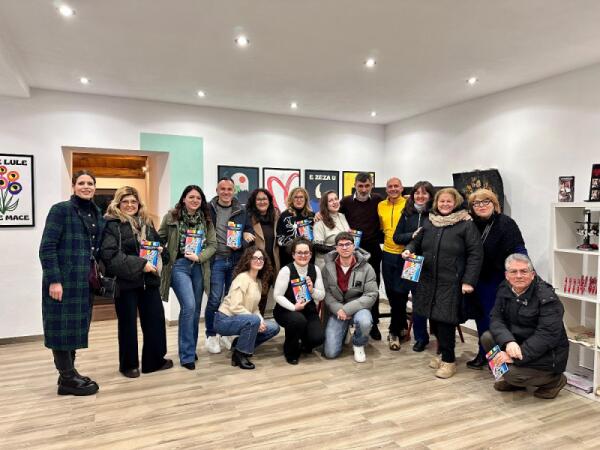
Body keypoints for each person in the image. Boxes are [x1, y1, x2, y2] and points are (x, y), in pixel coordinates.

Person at [403, 187, 483, 379]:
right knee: (433, 318)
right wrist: (409, 249)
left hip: (452, 282)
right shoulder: (430, 222)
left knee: (446, 320)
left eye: (449, 201)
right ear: (436, 203)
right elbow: (416, 242)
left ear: (455, 203)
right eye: (442, 201)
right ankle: (443, 355)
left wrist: (468, 281)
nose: (445, 204)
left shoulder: (466, 224)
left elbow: (476, 254)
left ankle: (449, 361)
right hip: (428, 280)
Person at [39, 170, 105, 396]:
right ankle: (68, 378)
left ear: (95, 187)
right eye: (81, 183)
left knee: (75, 328)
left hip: (84, 282)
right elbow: (47, 247)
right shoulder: (61, 210)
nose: (86, 187)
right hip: (63, 281)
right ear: (74, 186)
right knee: (60, 329)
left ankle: (68, 374)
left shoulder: (97, 213)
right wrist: (54, 280)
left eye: (90, 183)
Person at [101, 186, 173, 378]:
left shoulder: (147, 223)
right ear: (118, 204)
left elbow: (160, 248)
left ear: (139, 204)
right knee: (127, 326)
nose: (130, 205)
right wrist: (142, 265)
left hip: (149, 282)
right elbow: (110, 256)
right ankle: (128, 365)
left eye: (134, 201)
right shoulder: (111, 224)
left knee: (155, 322)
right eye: (125, 201)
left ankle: (154, 361)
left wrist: (162, 252)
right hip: (125, 283)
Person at [482, 254, 569, 399]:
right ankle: (515, 382)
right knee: (487, 338)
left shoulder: (547, 297)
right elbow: (496, 318)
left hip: (546, 356)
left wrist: (513, 356)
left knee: (511, 373)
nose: (518, 276)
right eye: (513, 271)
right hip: (519, 343)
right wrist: (508, 342)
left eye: (523, 271)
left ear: (532, 274)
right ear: (507, 275)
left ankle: (554, 380)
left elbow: (546, 336)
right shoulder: (505, 288)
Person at [466, 188, 527, 369]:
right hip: (476, 279)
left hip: (498, 279)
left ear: (494, 204)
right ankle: (484, 353)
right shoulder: (469, 224)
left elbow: (519, 249)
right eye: (477, 203)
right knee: (481, 318)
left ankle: (499, 359)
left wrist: (523, 271)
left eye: (486, 201)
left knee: (496, 319)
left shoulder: (506, 223)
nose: (481, 206)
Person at [159, 185, 217, 370]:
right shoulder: (171, 217)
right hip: (179, 266)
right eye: (191, 197)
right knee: (189, 306)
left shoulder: (206, 219)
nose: (195, 200)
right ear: (183, 199)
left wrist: (199, 257)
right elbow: (160, 237)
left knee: (195, 309)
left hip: (199, 266)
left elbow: (213, 245)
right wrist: (157, 247)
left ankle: (189, 348)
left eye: (198, 198)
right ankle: (186, 355)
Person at [206, 177, 253, 354]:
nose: (226, 192)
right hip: (216, 260)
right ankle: (211, 334)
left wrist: (243, 242)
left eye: (229, 189)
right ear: (217, 190)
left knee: (231, 298)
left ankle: (226, 332)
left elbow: (248, 230)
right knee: (214, 299)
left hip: (235, 260)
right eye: (223, 189)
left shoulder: (241, 209)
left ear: (234, 191)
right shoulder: (208, 208)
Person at [214, 247, 280, 369]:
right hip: (224, 320)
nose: (258, 261)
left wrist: (260, 321)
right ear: (248, 260)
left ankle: (238, 345)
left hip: (244, 319)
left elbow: (255, 309)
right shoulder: (242, 278)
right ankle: (240, 354)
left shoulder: (258, 282)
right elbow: (235, 306)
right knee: (254, 320)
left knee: (273, 328)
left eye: (261, 258)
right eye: (254, 258)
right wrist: (256, 320)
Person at [339, 172, 384, 340]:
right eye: (360, 186)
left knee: (373, 288)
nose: (364, 189)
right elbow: (333, 215)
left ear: (371, 185)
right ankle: (351, 321)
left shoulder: (378, 200)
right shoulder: (346, 201)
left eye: (367, 186)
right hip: (352, 251)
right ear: (355, 185)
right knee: (351, 287)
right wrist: (320, 214)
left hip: (373, 250)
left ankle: (373, 323)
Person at [393, 181, 436, 352]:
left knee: (432, 300)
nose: (420, 196)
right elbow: (397, 237)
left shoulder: (436, 214)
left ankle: (439, 335)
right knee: (417, 302)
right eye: (417, 193)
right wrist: (412, 235)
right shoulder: (407, 213)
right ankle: (421, 337)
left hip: (431, 263)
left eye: (424, 193)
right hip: (411, 262)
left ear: (431, 196)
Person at [322, 232, 378, 362]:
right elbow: (327, 293)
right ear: (336, 248)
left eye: (348, 244)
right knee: (330, 353)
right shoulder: (327, 267)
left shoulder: (367, 268)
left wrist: (346, 310)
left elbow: (371, 294)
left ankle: (358, 344)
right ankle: (344, 331)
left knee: (365, 322)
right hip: (337, 310)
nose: (345, 247)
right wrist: (338, 309)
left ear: (354, 246)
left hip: (359, 307)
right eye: (341, 245)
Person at [273, 237, 325, 364]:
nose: (303, 255)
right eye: (299, 253)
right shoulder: (286, 270)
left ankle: (303, 341)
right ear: (293, 255)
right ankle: (290, 351)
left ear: (311, 254)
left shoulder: (315, 269)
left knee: (317, 338)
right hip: (286, 310)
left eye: (306, 252)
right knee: (298, 320)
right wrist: (294, 307)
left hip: (308, 310)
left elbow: (321, 296)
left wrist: (312, 290)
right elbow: (277, 295)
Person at [378, 177, 407, 351]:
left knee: (400, 293)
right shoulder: (381, 205)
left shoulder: (409, 205)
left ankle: (393, 331)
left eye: (396, 186)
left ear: (402, 188)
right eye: (390, 186)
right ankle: (401, 324)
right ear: (386, 189)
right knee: (391, 293)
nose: (393, 189)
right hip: (388, 253)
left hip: (407, 255)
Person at [244, 188, 280, 315]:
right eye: (258, 199)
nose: (262, 201)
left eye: (264, 199)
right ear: (254, 202)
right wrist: (244, 234)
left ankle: (260, 323)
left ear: (269, 201)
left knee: (263, 298)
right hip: (255, 265)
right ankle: (250, 324)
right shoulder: (248, 217)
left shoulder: (276, 216)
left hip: (271, 265)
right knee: (252, 298)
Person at [276, 187, 315, 267]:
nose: (299, 200)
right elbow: (279, 239)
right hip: (289, 258)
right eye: (296, 197)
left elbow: (317, 238)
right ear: (291, 199)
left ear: (305, 199)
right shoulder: (284, 216)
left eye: (301, 197)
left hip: (308, 258)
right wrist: (296, 246)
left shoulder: (312, 216)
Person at [313, 190, 350, 269]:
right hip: (326, 265)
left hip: (341, 263)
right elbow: (317, 246)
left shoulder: (342, 216)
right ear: (325, 204)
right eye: (330, 201)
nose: (335, 202)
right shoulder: (320, 221)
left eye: (336, 199)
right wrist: (338, 248)